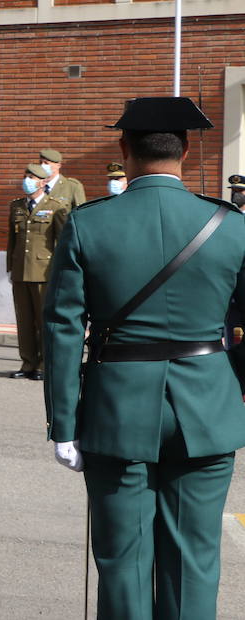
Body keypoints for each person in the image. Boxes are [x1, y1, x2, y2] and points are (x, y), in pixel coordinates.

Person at [44, 96, 245, 619]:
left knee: (124, 560)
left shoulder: (89, 223)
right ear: (184, 149)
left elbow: (64, 328)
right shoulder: (230, 224)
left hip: (117, 407)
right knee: (194, 561)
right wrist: (234, 394)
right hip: (208, 404)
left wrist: (63, 423)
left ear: (123, 148)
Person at [6, 163, 68, 380]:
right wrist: (10, 268)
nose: (27, 181)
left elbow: (62, 242)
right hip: (21, 271)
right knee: (24, 321)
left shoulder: (56, 206)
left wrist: (60, 272)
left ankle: (43, 364)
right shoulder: (17, 206)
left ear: (43, 182)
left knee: (44, 321)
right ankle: (27, 362)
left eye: (32, 177)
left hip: (44, 273)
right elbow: (12, 241)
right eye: (26, 176)